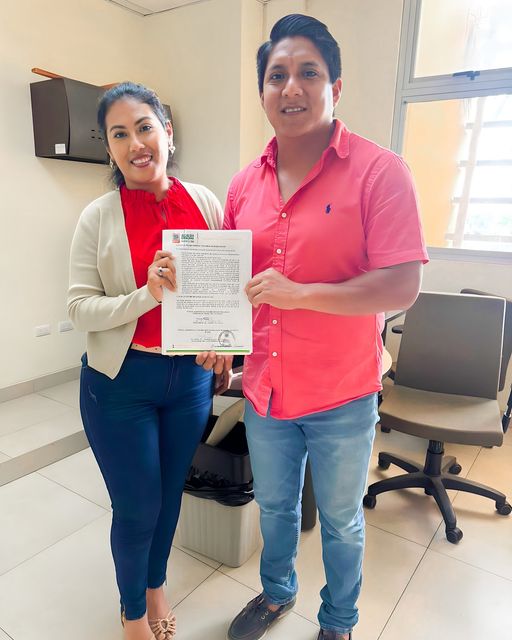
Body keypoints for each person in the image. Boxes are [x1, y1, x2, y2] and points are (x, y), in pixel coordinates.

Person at [218, 14, 428, 640]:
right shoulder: (243, 184)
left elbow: (401, 285)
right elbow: (230, 282)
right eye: (276, 75)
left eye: (308, 72)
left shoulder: (380, 171)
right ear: (262, 92)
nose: (291, 87)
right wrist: (204, 324)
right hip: (266, 390)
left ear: (336, 86)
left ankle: (338, 621)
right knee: (276, 508)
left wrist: (301, 294)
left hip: (342, 392)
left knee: (340, 521)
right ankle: (277, 593)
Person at [68, 81, 230, 640]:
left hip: (188, 383)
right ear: (109, 148)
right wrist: (146, 295)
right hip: (121, 383)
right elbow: (79, 308)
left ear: (167, 132)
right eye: (119, 134)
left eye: (144, 127)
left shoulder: (204, 202)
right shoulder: (97, 217)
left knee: (167, 499)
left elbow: (221, 291)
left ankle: (156, 583)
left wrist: (223, 343)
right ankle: (133, 611)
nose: (136, 143)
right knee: (137, 507)